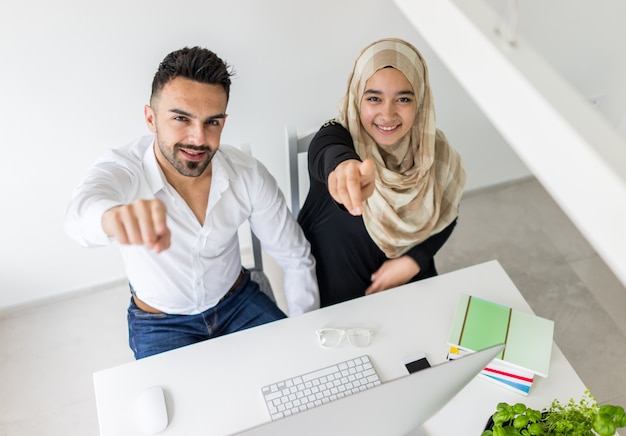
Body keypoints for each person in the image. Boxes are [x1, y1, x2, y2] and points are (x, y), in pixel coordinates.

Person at [65, 46, 319, 359]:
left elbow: (295, 257)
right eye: (181, 119)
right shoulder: (124, 168)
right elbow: (79, 215)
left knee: (296, 370)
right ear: (151, 118)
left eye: (212, 122)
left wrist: (304, 330)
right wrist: (110, 218)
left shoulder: (248, 174)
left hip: (237, 301)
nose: (198, 139)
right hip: (160, 323)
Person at [298, 38, 466, 307]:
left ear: (420, 100)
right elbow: (329, 152)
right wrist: (344, 168)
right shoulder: (335, 136)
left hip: (410, 282)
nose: (387, 114)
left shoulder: (435, 151)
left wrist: (414, 260)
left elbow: (448, 214)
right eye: (374, 98)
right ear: (357, 97)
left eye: (403, 98)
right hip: (340, 301)